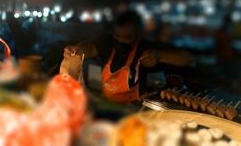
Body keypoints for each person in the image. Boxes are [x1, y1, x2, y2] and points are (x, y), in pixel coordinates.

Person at [63, 10, 193, 103]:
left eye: (127, 38)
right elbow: (90, 48)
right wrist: (78, 49)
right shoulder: (108, 42)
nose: (121, 41)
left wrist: (159, 56)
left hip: (135, 107)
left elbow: (187, 59)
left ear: (139, 33)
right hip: (106, 103)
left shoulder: (147, 48)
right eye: (118, 36)